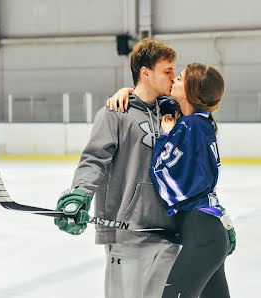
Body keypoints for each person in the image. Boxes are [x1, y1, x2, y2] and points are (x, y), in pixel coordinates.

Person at [53, 38, 181, 298]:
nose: (173, 77)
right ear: (145, 73)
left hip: (170, 233)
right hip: (128, 233)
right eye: (167, 71)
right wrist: (80, 193)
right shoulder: (115, 113)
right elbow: (94, 159)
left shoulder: (173, 115)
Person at [109, 63, 236, 297]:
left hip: (202, 234)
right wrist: (128, 91)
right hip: (209, 232)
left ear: (189, 92)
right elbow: (156, 101)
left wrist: (166, 135)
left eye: (179, 79)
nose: (173, 81)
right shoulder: (199, 120)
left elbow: (161, 171)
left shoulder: (190, 126)